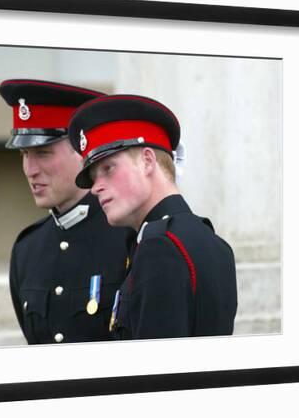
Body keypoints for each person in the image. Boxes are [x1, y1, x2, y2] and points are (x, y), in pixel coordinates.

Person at [68, 94, 237, 340]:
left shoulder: (160, 247)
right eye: (93, 177)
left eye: (108, 169)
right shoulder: (211, 241)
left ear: (148, 161)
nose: (95, 188)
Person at [0, 79, 133, 344]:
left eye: (43, 153)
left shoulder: (129, 235)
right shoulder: (27, 249)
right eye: (24, 154)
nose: (30, 169)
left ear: (84, 152)